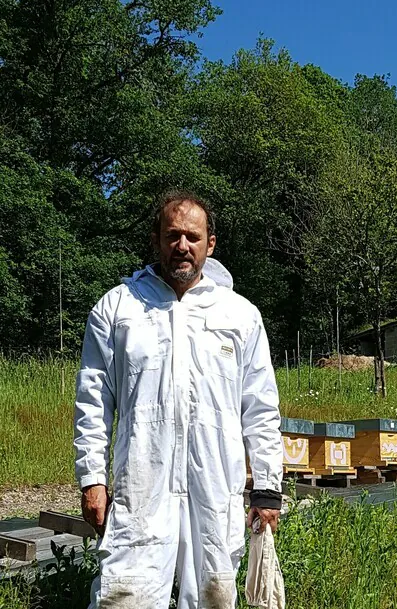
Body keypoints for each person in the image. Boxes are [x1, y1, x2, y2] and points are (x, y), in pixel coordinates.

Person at [74, 190, 283, 608]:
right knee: (126, 594)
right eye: (173, 235)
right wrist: (92, 479)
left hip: (215, 487)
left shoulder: (240, 315)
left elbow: (260, 406)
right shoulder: (117, 310)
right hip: (142, 484)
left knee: (214, 594)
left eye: (192, 236)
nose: (182, 246)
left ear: (211, 243)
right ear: (157, 239)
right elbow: (93, 401)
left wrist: (267, 488)